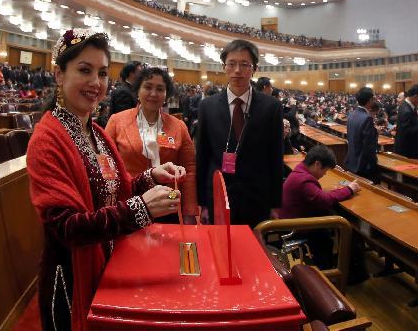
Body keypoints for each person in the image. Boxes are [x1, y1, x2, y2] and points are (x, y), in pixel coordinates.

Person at [26, 29, 186, 331]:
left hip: (107, 261)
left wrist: (150, 177)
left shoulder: (96, 133)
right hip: (69, 279)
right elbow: (66, 227)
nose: (96, 83)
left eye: (101, 73)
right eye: (84, 70)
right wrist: (141, 209)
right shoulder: (47, 139)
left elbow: (114, 191)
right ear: (59, 75)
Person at [195, 39, 283, 228]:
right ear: (223, 67)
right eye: (232, 63)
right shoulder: (207, 107)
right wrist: (202, 202)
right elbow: (202, 156)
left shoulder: (272, 107)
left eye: (245, 64)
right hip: (218, 195)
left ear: (254, 69)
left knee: (253, 253)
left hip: (257, 196)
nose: (237, 70)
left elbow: (275, 157)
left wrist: (275, 203)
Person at [105, 66, 197, 220]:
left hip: (169, 202)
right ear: (138, 90)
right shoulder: (117, 121)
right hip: (130, 203)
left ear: (166, 94)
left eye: (160, 89)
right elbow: (105, 163)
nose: (153, 94)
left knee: (170, 244)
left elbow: (190, 169)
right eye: (147, 87)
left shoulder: (178, 126)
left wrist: (189, 211)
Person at [279, 145, 360, 269]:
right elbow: (325, 200)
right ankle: (327, 274)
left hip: (291, 218)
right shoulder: (305, 180)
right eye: (325, 170)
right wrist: (349, 189)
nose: (324, 174)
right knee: (329, 236)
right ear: (317, 164)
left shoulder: (300, 170)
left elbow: (318, 196)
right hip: (296, 227)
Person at [344, 87, 380, 177]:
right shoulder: (367, 118)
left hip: (352, 160)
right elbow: (368, 145)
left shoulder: (352, 114)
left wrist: (374, 131)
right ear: (370, 100)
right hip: (363, 165)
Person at [393, 84, 418, 157]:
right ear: (415, 97)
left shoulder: (405, 105)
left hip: (406, 148)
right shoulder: (407, 111)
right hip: (406, 151)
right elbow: (407, 131)